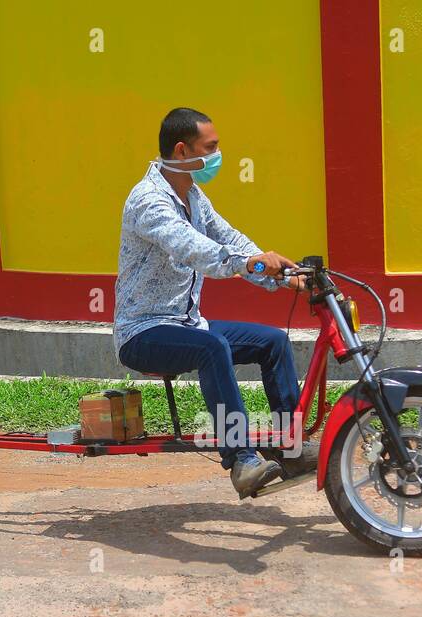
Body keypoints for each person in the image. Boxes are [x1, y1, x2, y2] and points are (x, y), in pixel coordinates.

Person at [114, 108, 311, 498]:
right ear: (183, 151)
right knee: (212, 347)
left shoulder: (193, 195)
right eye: (212, 147)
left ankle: (291, 447)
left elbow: (230, 238)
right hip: (143, 332)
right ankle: (241, 459)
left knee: (273, 342)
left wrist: (283, 275)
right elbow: (194, 249)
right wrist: (249, 263)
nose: (219, 155)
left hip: (187, 324)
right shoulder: (149, 201)